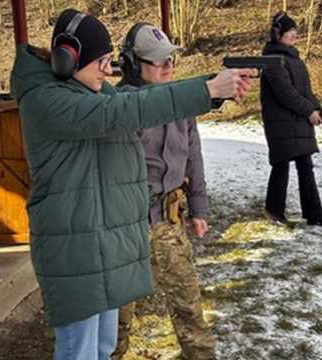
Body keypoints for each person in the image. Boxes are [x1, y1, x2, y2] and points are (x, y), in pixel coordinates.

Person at [10, 8, 251, 360]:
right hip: (76, 252)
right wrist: (208, 88)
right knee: (80, 352)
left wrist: (211, 88)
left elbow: (131, 102)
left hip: (102, 245)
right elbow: (122, 112)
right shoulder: (47, 101)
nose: (109, 71)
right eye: (102, 62)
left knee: (104, 348)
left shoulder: (88, 91)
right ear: (67, 59)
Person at [112, 23, 216, 360]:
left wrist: (199, 208)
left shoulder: (181, 102)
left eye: (171, 59)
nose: (168, 66)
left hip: (169, 222)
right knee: (116, 321)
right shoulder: (119, 105)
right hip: (126, 228)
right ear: (132, 64)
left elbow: (193, 156)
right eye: (158, 61)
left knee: (189, 309)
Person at [261, 11, 322, 226]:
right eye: (290, 33)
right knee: (281, 165)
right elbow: (286, 93)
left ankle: (315, 214)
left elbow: (305, 91)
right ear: (278, 35)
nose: (294, 36)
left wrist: (317, 108)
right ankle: (274, 210)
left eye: (295, 33)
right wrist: (309, 111)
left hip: (297, 121)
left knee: (305, 166)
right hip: (281, 123)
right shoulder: (272, 61)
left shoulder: (294, 59)